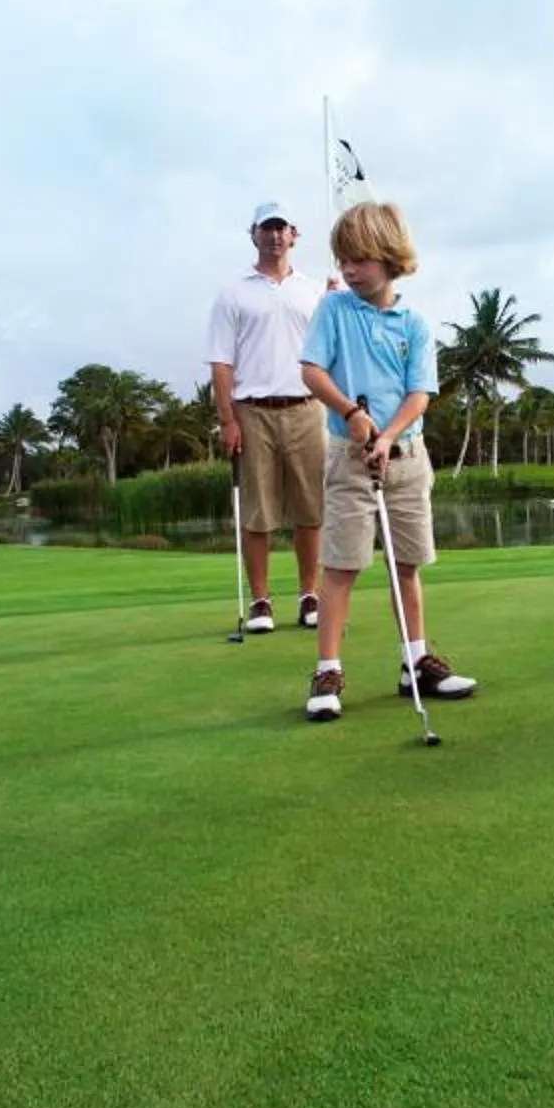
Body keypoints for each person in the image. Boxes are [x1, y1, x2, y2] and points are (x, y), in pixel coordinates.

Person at [295, 198, 477, 722]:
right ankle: (327, 670)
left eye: (360, 259)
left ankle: (415, 663)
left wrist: (388, 433)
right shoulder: (333, 309)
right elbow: (311, 371)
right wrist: (352, 413)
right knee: (342, 566)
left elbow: (420, 393)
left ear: (390, 257)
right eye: (342, 259)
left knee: (407, 565)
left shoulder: (414, 323)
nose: (349, 270)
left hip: (407, 459)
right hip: (350, 459)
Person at [205, 201, 329, 633]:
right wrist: (227, 420)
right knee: (257, 512)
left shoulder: (316, 290)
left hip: (307, 408)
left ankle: (309, 595)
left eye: (282, 228)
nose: (275, 236)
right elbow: (221, 362)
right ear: (253, 234)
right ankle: (260, 601)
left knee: (310, 509)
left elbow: (331, 351)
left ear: (294, 235)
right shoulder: (233, 292)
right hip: (252, 411)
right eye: (267, 228)